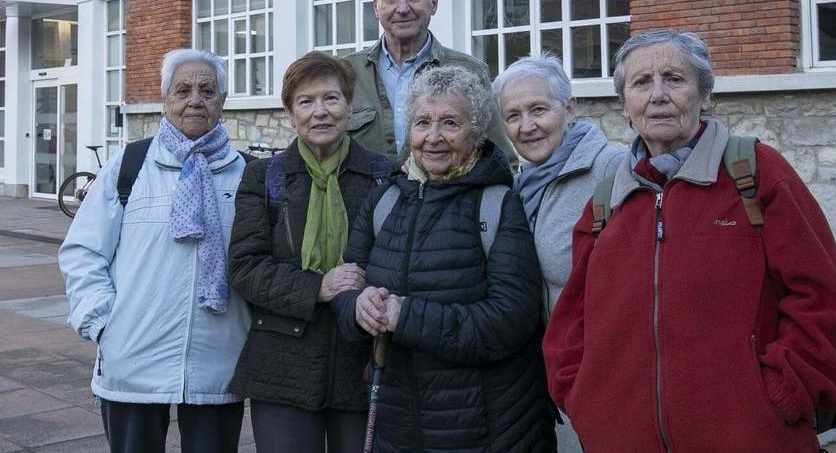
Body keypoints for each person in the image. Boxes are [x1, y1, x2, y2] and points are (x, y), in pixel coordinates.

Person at [543, 30, 836, 452]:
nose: (657, 95)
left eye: (674, 79)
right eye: (641, 83)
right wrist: (584, 400)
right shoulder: (607, 201)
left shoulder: (757, 173)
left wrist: (782, 396)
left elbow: (823, 303)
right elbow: (571, 321)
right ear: (626, 104)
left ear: (704, 95)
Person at [333, 66, 556, 452]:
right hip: (398, 427)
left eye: (450, 123)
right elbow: (346, 286)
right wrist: (357, 308)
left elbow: (511, 320)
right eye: (422, 123)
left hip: (488, 431)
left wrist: (406, 317)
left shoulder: (497, 203)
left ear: (476, 131)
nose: (433, 137)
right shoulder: (385, 200)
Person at [58, 49, 251, 453]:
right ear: (166, 100)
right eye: (183, 90)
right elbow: (83, 251)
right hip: (133, 361)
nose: (195, 99)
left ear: (222, 100)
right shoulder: (129, 165)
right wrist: (102, 324)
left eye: (207, 90)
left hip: (218, 364)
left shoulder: (247, 173)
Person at [228, 52, 393, 453]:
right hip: (282, 363)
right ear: (290, 112)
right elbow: (244, 267)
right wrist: (319, 286)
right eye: (306, 101)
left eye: (331, 99)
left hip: (360, 360)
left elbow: (398, 259)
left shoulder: (384, 175)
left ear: (349, 106)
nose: (320, 111)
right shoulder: (263, 177)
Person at [495, 54, 624, 453]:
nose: (527, 126)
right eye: (513, 115)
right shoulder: (519, 186)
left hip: (610, 378)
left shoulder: (613, 170)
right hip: (552, 379)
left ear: (569, 108)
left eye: (538, 109)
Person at [345, 0, 516, 165]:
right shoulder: (346, 73)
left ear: (433, 3)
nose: (402, 7)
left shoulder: (469, 71)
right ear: (375, 7)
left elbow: (501, 160)